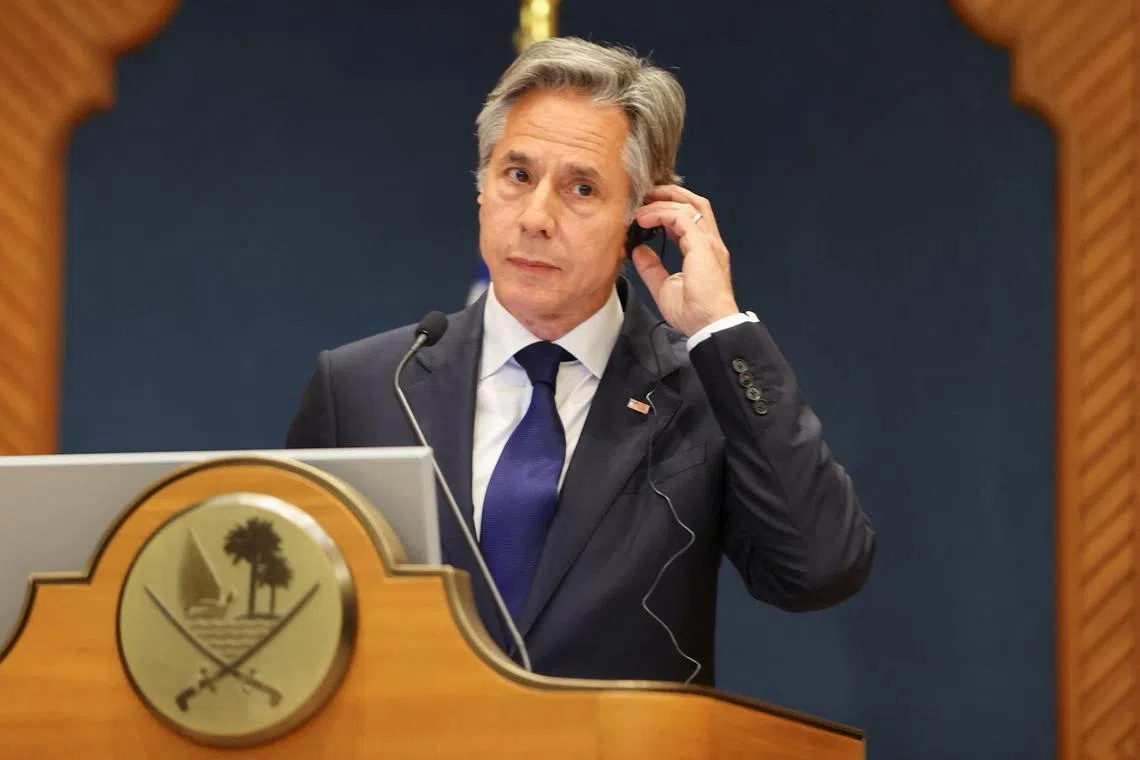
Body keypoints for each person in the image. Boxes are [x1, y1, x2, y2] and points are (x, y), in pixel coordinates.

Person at [285, 37, 875, 686]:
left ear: (640, 217)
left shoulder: (705, 393)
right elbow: (297, 622)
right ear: (481, 189)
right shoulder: (366, 387)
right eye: (517, 176)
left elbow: (820, 570)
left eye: (582, 188)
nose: (536, 217)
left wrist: (721, 330)